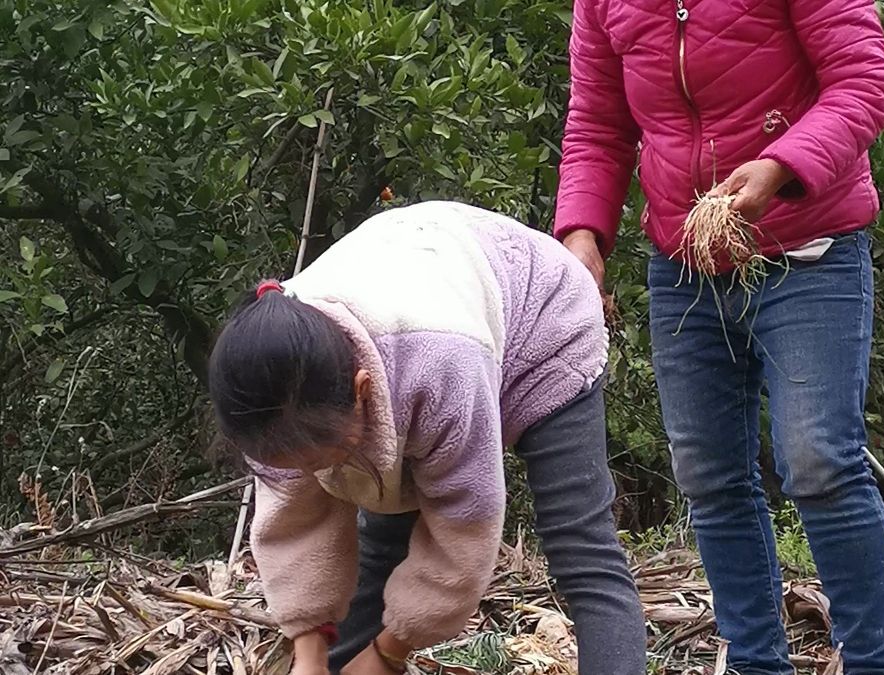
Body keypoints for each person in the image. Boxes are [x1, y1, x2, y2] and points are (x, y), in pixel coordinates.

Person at [554, 1, 884, 674]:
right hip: (684, 261)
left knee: (819, 459)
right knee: (708, 474)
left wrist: (779, 165)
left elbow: (864, 79)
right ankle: (755, 664)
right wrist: (582, 237)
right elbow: (598, 125)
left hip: (808, 249)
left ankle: (873, 664)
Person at [208, 202, 646, 675]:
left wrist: (387, 653)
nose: (313, 473)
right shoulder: (264, 386)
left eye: (326, 456)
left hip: (541, 313)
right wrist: (309, 651)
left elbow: (464, 523)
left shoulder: (439, 366)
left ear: (361, 390)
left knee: (579, 546)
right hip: (435, 303)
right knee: (382, 543)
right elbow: (294, 523)